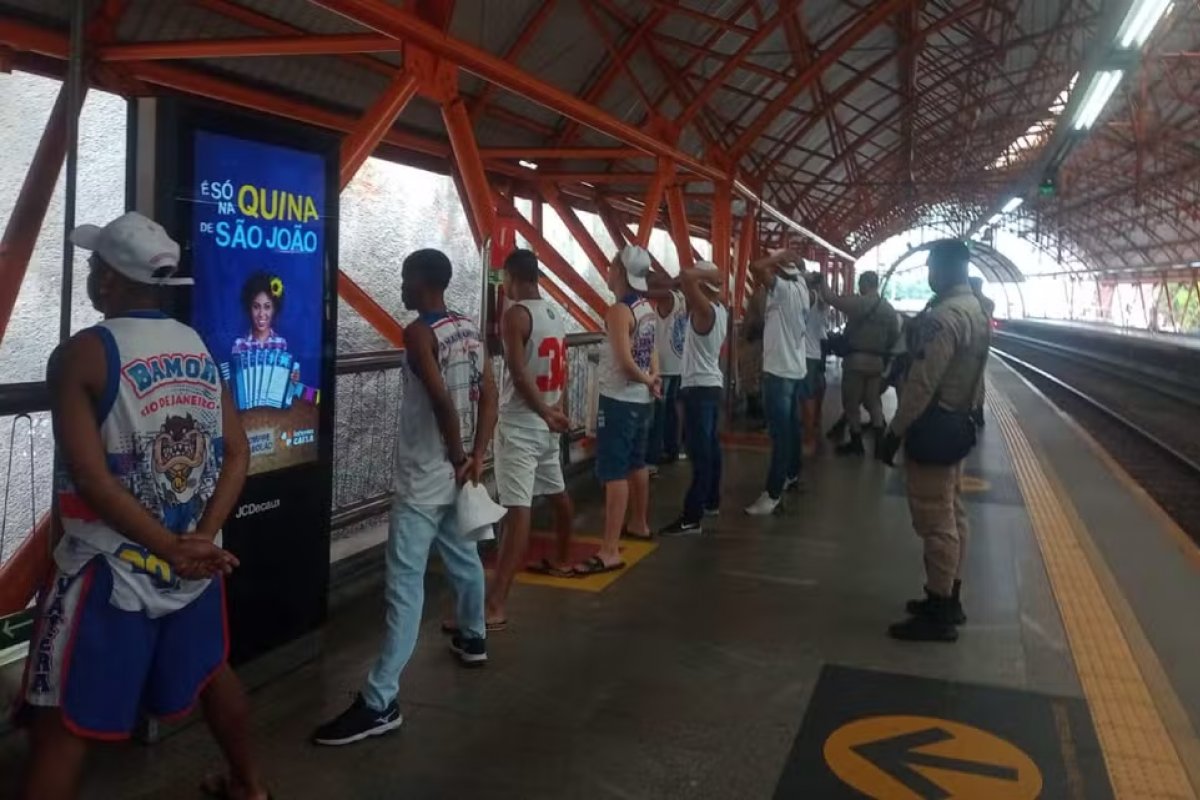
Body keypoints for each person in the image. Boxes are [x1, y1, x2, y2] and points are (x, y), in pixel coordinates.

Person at [18, 212, 266, 800]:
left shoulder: (82, 354)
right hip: (192, 566)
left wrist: (171, 548)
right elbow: (236, 455)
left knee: (60, 722)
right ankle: (250, 787)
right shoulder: (199, 345)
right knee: (212, 673)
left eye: (94, 266)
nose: (90, 275)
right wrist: (197, 542)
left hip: (107, 569)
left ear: (107, 281)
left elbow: (92, 479)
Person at [313, 248, 497, 745]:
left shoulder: (419, 333)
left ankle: (380, 700)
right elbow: (492, 393)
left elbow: (439, 397)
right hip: (456, 474)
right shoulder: (468, 328)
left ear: (422, 281)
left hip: (424, 477)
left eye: (403, 277)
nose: (399, 285)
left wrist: (458, 454)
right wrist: (476, 456)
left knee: (405, 587)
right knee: (462, 554)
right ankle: (474, 635)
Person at [877, 240, 991, 643]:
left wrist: (894, 432)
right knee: (953, 510)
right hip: (957, 422)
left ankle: (939, 611)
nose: (928, 274)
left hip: (933, 426)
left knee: (934, 517)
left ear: (944, 268)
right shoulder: (977, 308)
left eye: (930, 267)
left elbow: (922, 383)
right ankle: (949, 595)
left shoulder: (944, 318)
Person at [484, 249, 574, 626]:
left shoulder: (515, 316)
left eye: (504, 279)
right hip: (548, 423)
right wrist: (556, 411)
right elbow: (563, 370)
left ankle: (496, 605)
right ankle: (563, 559)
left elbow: (519, 376)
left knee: (517, 512)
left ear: (512, 278)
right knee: (558, 495)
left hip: (523, 425)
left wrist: (542, 412)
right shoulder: (556, 315)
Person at [576, 245, 659, 573]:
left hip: (619, 400)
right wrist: (653, 380)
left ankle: (609, 549)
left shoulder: (619, 311)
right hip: (640, 400)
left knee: (613, 471)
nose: (607, 271)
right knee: (637, 463)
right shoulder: (646, 308)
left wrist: (645, 380)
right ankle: (639, 523)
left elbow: (625, 362)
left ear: (621, 272)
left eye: (611, 266)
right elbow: (650, 353)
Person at [659, 263, 727, 535]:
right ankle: (711, 501)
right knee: (711, 449)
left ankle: (692, 517)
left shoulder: (705, 310)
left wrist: (700, 277)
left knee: (700, 455)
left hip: (698, 389)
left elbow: (688, 278)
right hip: (710, 386)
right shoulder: (720, 311)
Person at [744, 238, 809, 516]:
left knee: (780, 435)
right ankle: (792, 473)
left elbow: (756, 267)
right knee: (792, 428)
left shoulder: (784, 291)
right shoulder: (803, 288)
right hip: (794, 370)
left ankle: (772, 494)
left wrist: (778, 256)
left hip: (779, 372)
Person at [821, 271, 900, 458]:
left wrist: (822, 281)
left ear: (864, 284)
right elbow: (894, 337)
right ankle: (880, 443)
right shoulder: (889, 309)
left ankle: (856, 444)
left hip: (856, 362)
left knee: (851, 403)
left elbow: (831, 298)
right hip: (877, 363)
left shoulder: (859, 303)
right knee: (873, 401)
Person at [647, 284, 687, 468]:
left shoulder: (669, 297)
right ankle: (672, 448)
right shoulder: (681, 299)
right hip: (677, 364)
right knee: (671, 410)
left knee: (659, 414)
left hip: (664, 367)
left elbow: (658, 291)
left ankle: (653, 457)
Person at [802, 272, 829, 455]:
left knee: (806, 397)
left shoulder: (808, 301)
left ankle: (809, 438)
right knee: (817, 387)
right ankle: (816, 423)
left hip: (805, 353)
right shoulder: (823, 302)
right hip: (818, 350)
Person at [232, 271, 287, 354]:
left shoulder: (280, 343)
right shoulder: (239, 345)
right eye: (256, 307)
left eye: (267, 307)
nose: (261, 314)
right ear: (249, 308)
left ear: (274, 309)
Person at [969, 277, 995, 428]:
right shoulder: (988, 303)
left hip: (972, 344)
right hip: (984, 342)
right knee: (979, 377)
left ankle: (974, 409)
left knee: (973, 378)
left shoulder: (971, 304)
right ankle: (978, 410)